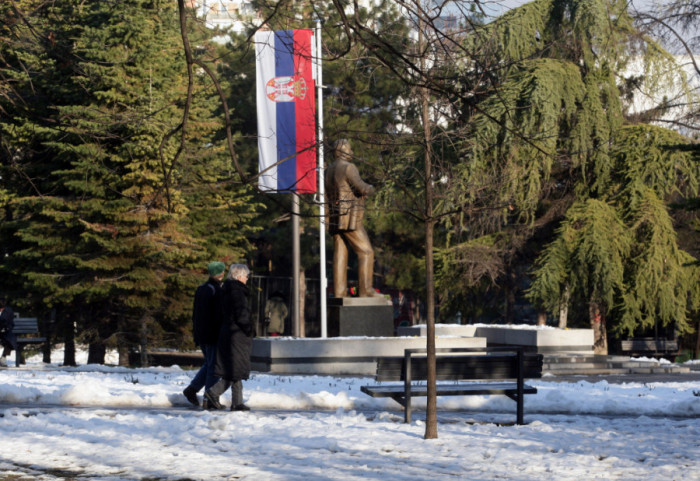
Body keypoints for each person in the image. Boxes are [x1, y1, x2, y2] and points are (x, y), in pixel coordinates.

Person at [325, 139, 379, 297]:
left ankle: (339, 292)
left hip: (335, 217)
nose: (352, 153)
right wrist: (372, 188)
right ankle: (366, 290)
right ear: (342, 151)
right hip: (349, 218)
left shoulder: (327, 171)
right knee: (366, 252)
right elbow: (362, 188)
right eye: (350, 149)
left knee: (340, 252)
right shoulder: (349, 167)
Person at [205, 264, 254, 411]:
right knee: (234, 370)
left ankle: (237, 402)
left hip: (229, 333)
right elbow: (241, 315)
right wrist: (249, 328)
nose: (247, 279)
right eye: (246, 276)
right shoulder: (236, 292)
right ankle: (213, 393)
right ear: (239, 276)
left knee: (235, 369)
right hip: (236, 335)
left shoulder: (227, 290)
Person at [182, 261, 225, 407]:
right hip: (212, 334)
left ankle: (192, 389)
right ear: (222, 273)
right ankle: (209, 397)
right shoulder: (216, 290)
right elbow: (218, 315)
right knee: (214, 366)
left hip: (201, 333)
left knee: (208, 364)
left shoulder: (202, 288)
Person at [0, 297, 17, 368]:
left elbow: (11, 323)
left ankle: (3, 358)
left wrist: (6, 328)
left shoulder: (9, 310)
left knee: (11, 339)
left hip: (5, 331)